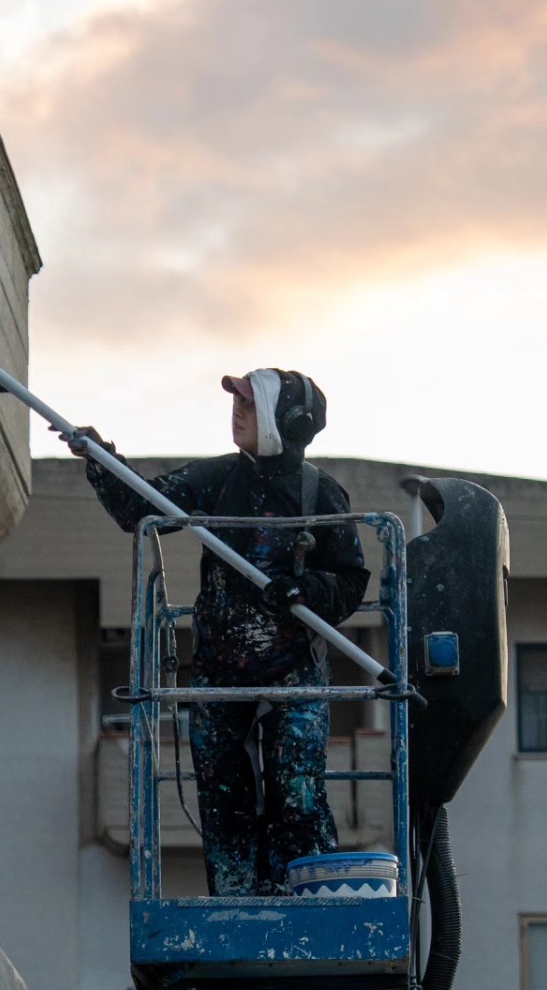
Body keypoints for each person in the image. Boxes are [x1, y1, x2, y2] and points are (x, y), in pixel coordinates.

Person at [65, 370, 370, 896]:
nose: (238, 412)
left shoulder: (319, 492)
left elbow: (350, 580)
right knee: (222, 794)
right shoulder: (219, 478)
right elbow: (140, 507)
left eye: (251, 405)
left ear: (286, 421)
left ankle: (306, 899)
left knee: (296, 792)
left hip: (295, 669)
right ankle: (236, 898)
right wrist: (101, 459)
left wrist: (306, 590)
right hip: (219, 667)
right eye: (237, 402)